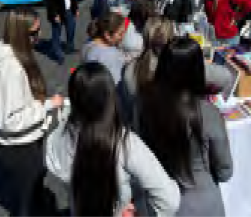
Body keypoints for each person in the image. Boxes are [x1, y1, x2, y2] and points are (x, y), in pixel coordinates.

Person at [46, 62, 180, 217]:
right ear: (110, 99)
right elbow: (169, 200)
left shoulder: (60, 136)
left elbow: (56, 167)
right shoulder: (125, 143)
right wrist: (141, 212)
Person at [139, 37, 233, 217]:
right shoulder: (208, 113)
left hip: (162, 202)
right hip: (203, 204)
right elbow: (225, 171)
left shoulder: (147, 107)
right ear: (198, 70)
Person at [0, 8, 63, 217]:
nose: (38, 37)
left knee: (28, 196)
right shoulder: (11, 68)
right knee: (26, 203)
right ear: (19, 34)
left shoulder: (5, 54)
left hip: (15, 147)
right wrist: (47, 106)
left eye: (39, 30)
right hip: (19, 148)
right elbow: (10, 120)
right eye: (33, 33)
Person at [41, 0, 79, 64]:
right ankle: (58, 55)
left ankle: (69, 47)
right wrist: (54, 15)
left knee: (71, 29)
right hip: (57, 14)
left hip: (68, 11)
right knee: (56, 34)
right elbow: (48, 3)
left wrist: (75, 8)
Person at [82, 11, 127, 85]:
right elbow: (116, 83)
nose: (123, 36)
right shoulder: (110, 55)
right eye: (120, 34)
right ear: (107, 35)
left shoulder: (89, 42)